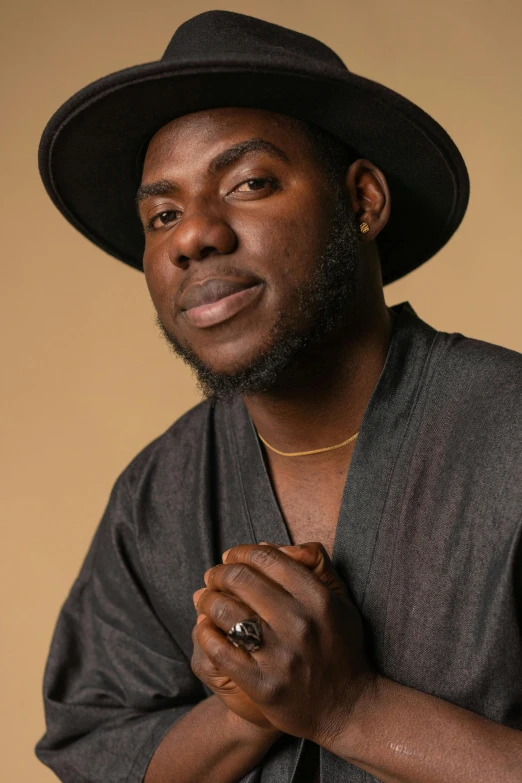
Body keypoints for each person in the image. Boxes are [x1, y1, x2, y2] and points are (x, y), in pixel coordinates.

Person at [35, 10, 522, 783]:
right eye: (162, 215)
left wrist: (349, 709)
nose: (191, 236)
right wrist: (246, 701)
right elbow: (103, 748)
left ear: (362, 200)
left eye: (249, 182)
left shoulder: (509, 434)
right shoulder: (159, 494)